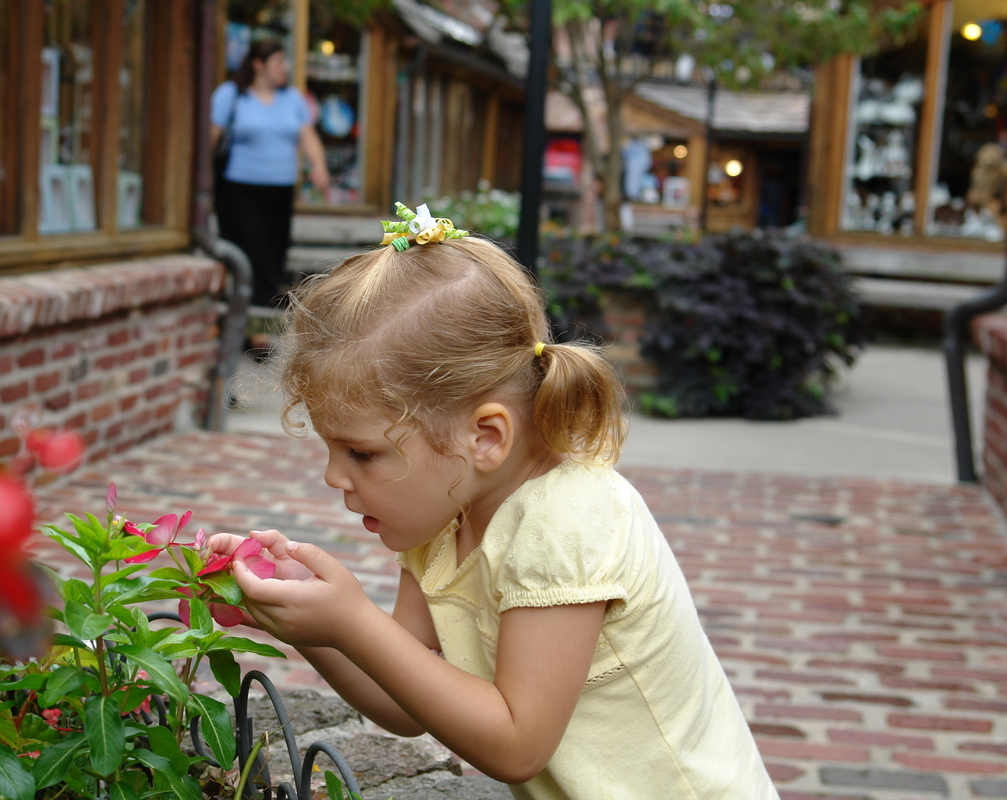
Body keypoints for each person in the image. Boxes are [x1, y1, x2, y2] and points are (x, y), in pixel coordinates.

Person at [208, 203, 778, 799]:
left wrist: (352, 621)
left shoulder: (564, 524)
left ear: (485, 437)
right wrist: (309, 619)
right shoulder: (446, 518)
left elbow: (516, 743)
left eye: (362, 453)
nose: (334, 477)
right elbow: (405, 704)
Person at [210, 39, 329, 354]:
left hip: (279, 191)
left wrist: (318, 165)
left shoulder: (292, 99)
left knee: (272, 259)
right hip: (238, 190)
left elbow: (307, 135)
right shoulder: (230, 95)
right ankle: (247, 331)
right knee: (247, 256)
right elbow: (211, 136)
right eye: (278, 61)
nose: (284, 68)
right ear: (258, 64)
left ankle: (254, 328)